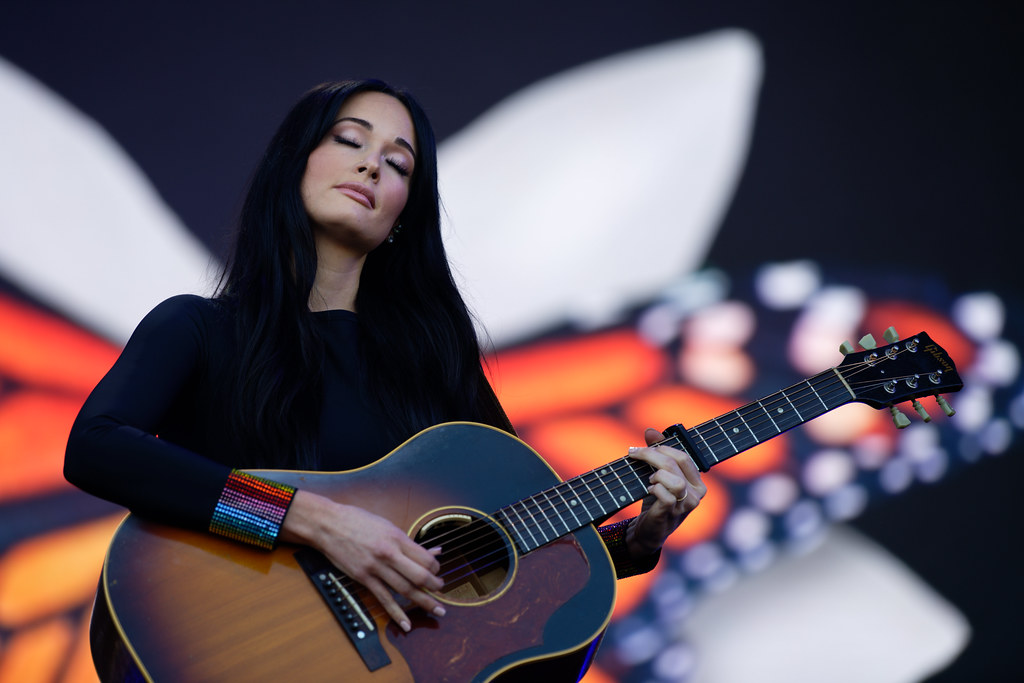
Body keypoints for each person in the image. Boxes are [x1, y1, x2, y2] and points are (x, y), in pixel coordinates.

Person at [64, 79, 705, 645]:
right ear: (294, 163)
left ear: (404, 213)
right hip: (228, 641)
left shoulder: (435, 366)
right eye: (349, 140)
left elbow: (511, 542)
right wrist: (307, 519)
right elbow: (94, 447)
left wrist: (637, 541)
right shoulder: (197, 328)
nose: (372, 166)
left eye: (398, 164)